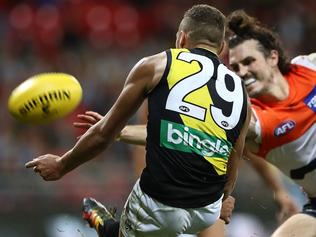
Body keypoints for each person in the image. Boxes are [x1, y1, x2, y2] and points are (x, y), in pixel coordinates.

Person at [25, 4, 251, 237]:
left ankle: (107, 225)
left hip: (160, 204)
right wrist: (221, 201)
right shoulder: (242, 94)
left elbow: (104, 135)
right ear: (222, 47)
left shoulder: (156, 65)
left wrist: (61, 165)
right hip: (207, 211)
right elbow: (233, 158)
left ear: (181, 39)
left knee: (125, 231)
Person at [226, 10, 316, 236]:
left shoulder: (308, 67)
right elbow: (190, 132)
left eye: (249, 62)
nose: (242, 73)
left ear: (272, 57)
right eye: (235, 68)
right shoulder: (252, 120)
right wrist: (122, 131)